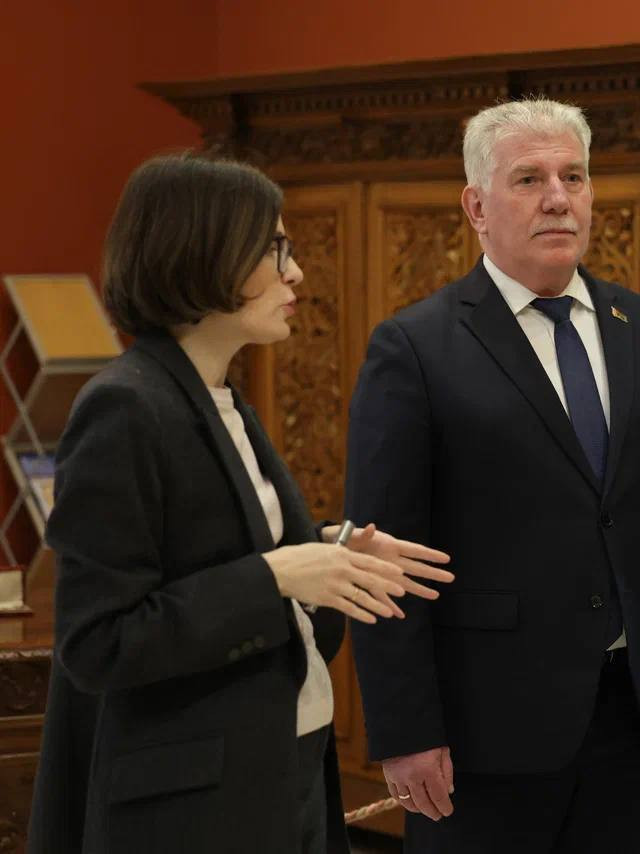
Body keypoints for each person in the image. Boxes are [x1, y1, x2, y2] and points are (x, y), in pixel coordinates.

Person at [345, 97, 640, 853]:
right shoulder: (416, 347)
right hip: (482, 731)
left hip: (635, 716)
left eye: (574, 176)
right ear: (476, 207)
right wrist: (405, 731)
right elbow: (384, 560)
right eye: (529, 179)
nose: (558, 198)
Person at [27, 154, 454, 854]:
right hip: (191, 812)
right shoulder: (124, 407)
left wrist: (332, 552)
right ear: (204, 252)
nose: (297, 273)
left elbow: (225, 562)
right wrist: (278, 575)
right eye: (274, 249)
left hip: (279, 769)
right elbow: (98, 642)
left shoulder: (224, 400)